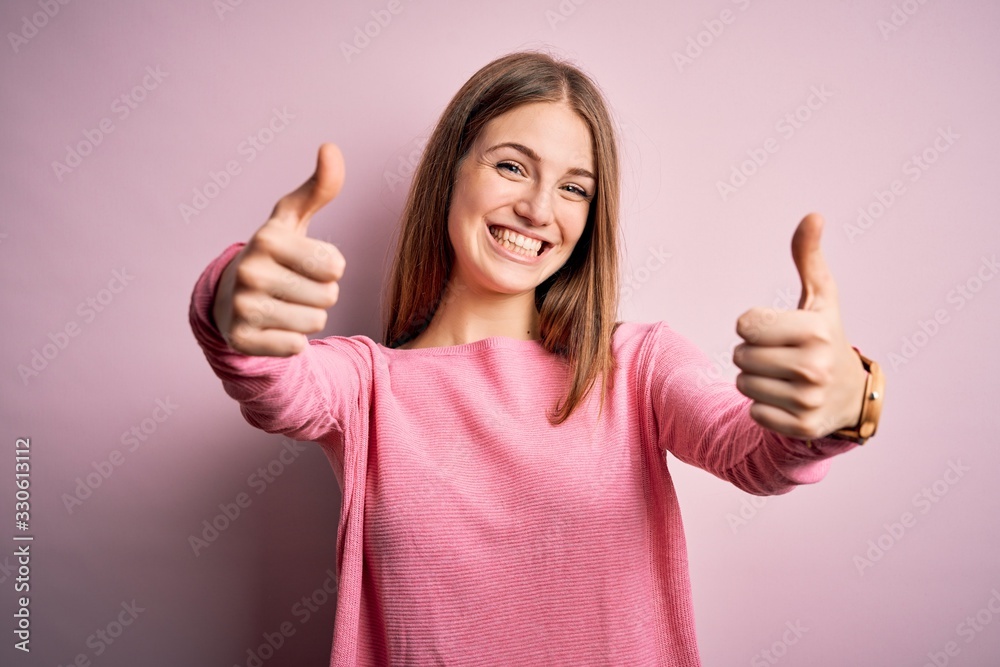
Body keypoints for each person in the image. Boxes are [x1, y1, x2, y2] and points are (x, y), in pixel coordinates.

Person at [189, 51, 884, 666]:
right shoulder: (366, 385)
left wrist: (843, 404)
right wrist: (232, 299)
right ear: (450, 173)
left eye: (573, 187)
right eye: (512, 166)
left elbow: (753, 451)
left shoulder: (635, 365)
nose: (537, 208)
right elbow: (272, 379)